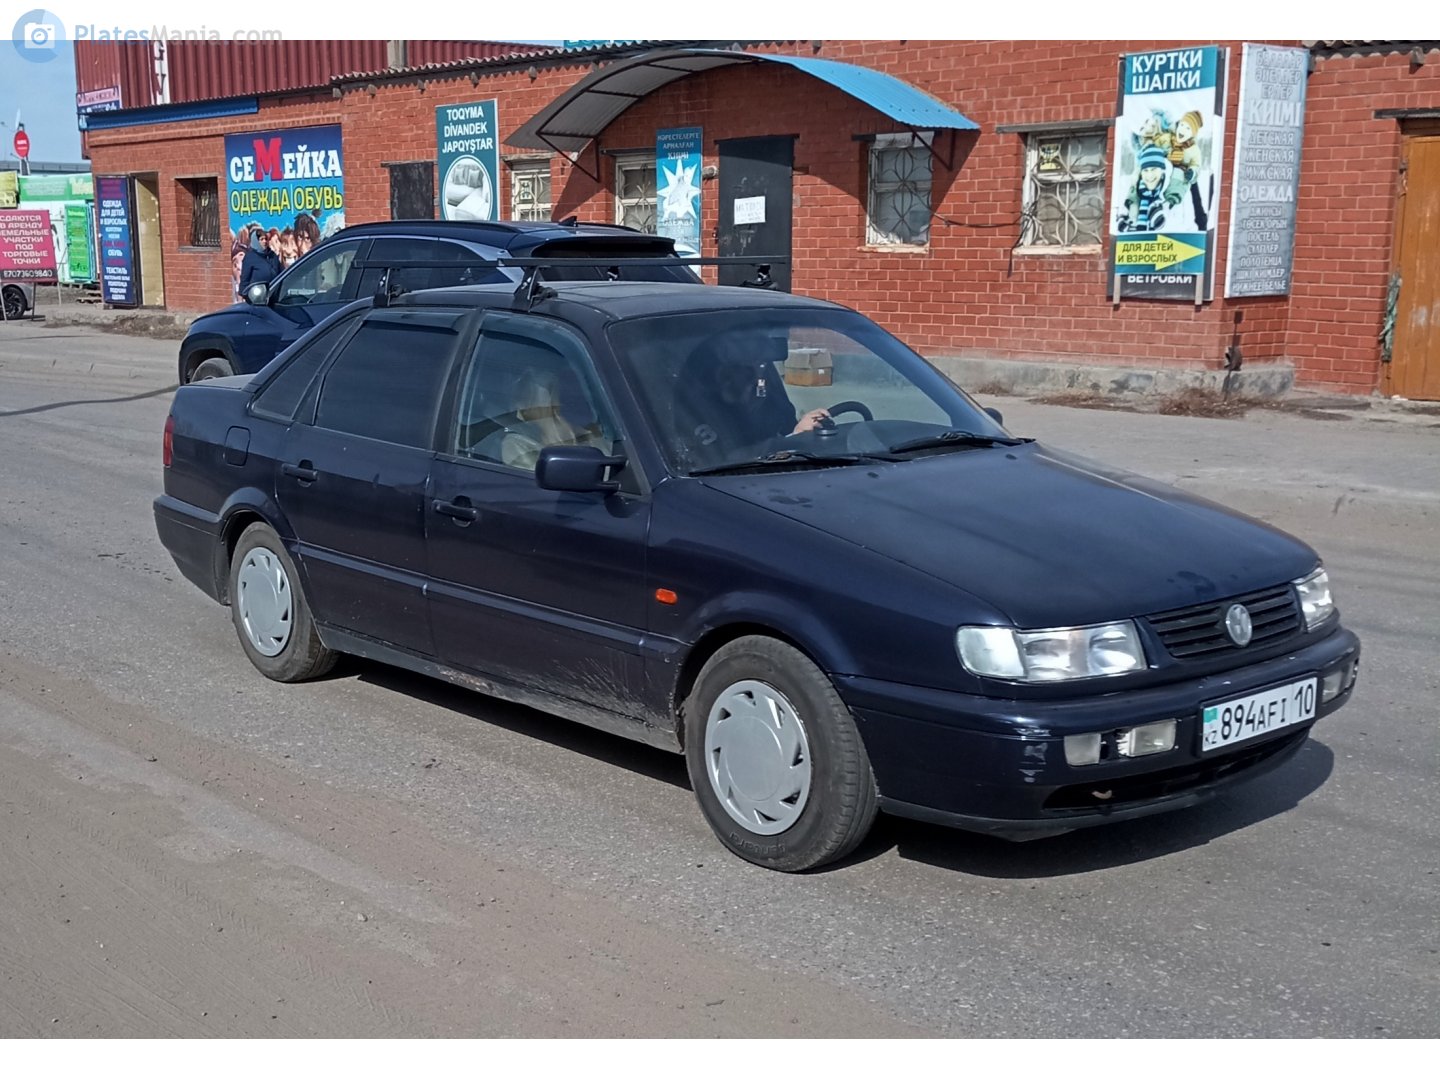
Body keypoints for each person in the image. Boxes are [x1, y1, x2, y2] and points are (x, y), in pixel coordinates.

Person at [674, 332, 829, 461]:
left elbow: (786, 425)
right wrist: (791, 440)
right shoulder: (696, 406)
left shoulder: (767, 391)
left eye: (762, 365)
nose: (758, 376)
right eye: (748, 369)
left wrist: (800, 432)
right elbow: (726, 459)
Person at [238, 229, 281, 294]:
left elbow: (280, 272)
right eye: (261, 239)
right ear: (256, 241)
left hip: (274, 294)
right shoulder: (250, 257)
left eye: (266, 239)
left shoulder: (272, 255)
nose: (264, 241)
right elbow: (245, 279)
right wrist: (246, 294)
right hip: (257, 296)